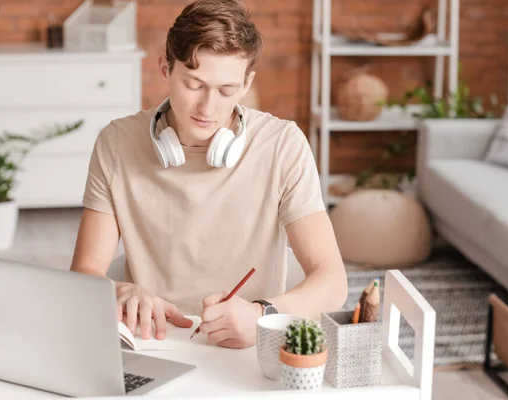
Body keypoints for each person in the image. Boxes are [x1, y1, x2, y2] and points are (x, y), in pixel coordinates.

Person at [70, 0, 348, 350]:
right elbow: (84, 273)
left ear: (246, 84)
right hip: (151, 341)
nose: (207, 107)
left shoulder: (282, 145)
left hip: (247, 344)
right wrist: (121, 290)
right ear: (165, 69)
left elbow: (333, 281)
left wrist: (264, 314)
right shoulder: (116, 143)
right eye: (193, 84)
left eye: (226, 91)